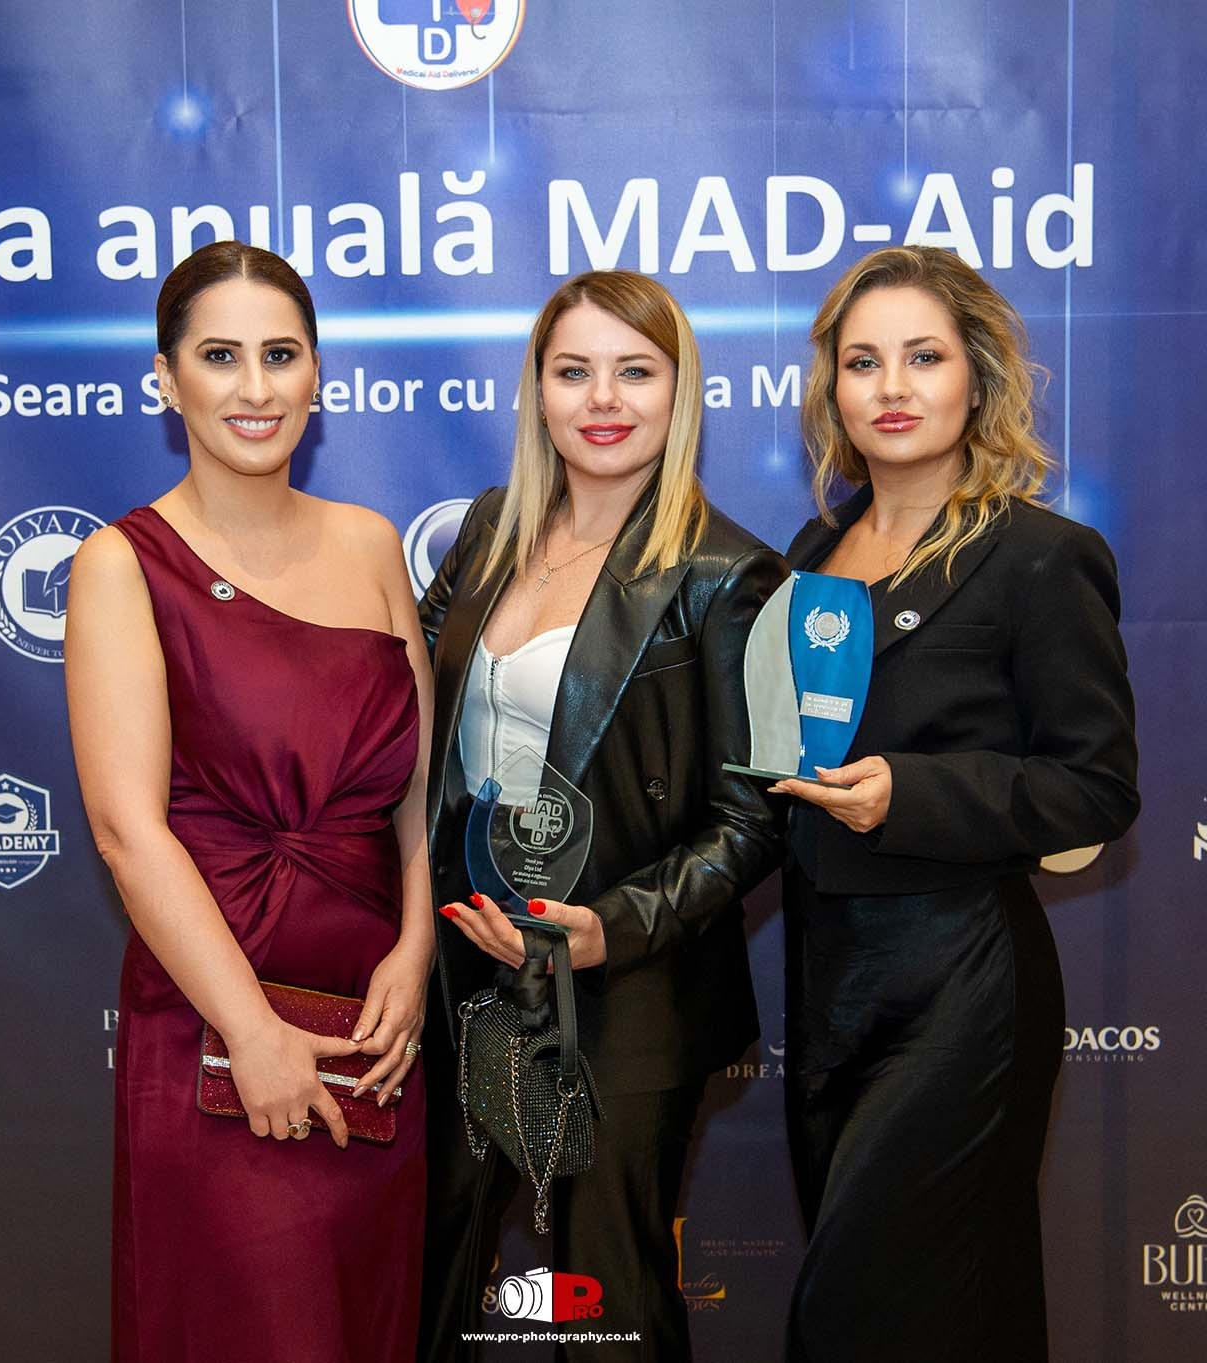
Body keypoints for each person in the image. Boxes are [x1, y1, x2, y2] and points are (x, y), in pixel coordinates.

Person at [66, 240, 435, 1363]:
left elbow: (416, 793)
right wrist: (251, 1032)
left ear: (317, 373)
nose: (255, 387)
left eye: (280, 354)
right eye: (219, 356)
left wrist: (417, 949)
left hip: (372, 1040)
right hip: (216, 1039)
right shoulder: (121, 564)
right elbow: (128, 834)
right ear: (166, 379)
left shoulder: (372, 544)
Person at [770, 245, 1140, 1362]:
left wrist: (914, 792)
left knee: (867, 1316)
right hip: (826, 984)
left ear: (976, 377)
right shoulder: (810, 556)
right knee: (939, 1318)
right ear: (831, 387)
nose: (890, 386)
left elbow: (1096, 785)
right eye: (862, 361)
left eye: (922, 357)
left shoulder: (1041, 557)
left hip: (960, 984)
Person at [416, 270, 787, 1362]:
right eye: (574, 371)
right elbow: (415, 725)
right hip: (468, 970)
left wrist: (606, 930)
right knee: (434, 1282)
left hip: (626, 993)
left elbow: (750, 819)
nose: (604, 399)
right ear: (538, 390)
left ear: (680, 391)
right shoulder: (488, 530)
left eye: (635, 371)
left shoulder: (728, 574)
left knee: (604, 1306)